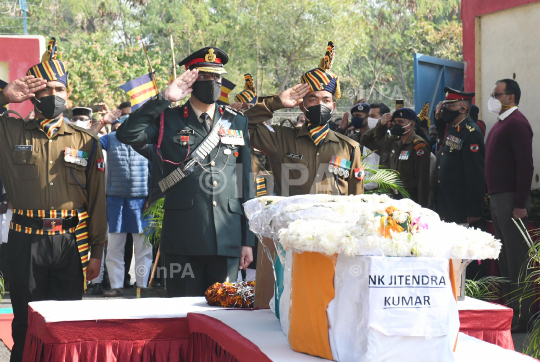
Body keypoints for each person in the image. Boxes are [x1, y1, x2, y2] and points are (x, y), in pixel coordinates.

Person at [116, 46, 255, 297]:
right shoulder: (168, 119)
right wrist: (163, 99)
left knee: (225, 316)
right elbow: (126, 134)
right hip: (184, 237)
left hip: (228, 237)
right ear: (190, 79)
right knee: (183, 313)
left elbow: (246, 183)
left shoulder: (237, 121)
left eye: (216, 77)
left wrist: (248, 239)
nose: (211, 82)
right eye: (204, 76)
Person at [0, 38, 106, 362]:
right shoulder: (10, 131)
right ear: (32, 95)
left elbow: (98, 200)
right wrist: (4, 95)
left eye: (59, 89)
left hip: (70, 244)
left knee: (66, 331)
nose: (53, 96)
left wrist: (98, 252)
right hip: (24, 242)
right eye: (45, 90)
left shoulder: (86, 140)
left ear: (68, 94)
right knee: (25, 329)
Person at [244, 41, 364, 196]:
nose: (320, 105)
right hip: (292, 219)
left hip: (335, 220)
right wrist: (276, 102)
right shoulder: (280, 138)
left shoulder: (349, 148)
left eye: (326, 100)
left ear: (333, 106)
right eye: (313, 100)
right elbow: (241, 125)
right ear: (302, 106)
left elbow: (357, 198)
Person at [485, 79, 534, 332]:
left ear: (510, 97)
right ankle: (512, 314)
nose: (493, 97)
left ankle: (525, 317)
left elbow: (525, 166)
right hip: (498, 198)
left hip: (510, 199)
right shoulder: (502, 123)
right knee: (505, 260)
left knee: (516, 261)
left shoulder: (517, 123)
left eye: (497, 94)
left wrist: (519, 203)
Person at [99, 121, 153, 297]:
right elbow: (90, 141)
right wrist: (99, 123)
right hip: (116, 201)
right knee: (114, 247)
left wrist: (152, 198)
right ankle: (116, 285)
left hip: (142, 201)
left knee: (144, 247)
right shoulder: (110, 139)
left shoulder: (146, 139)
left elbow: (156, 170)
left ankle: (142, 286)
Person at [433, 88, 485, 226]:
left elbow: (475, 174)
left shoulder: (471, 132)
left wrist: (474, 210)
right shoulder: (452, 127)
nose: (446, 109)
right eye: (445, 105)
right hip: (447, 201)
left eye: (450, 106)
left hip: (461, 204)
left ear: (463, 109)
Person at [361, 108, 431, 207]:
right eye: (395, 122)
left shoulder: (418, 146)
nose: (396, 124)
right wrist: (382, 124)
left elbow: (422, 180)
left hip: (410, 198)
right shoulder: (394, 142)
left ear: (411, 124)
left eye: (400, 122)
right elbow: (371, 139)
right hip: (393, 196)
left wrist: (422, 206)